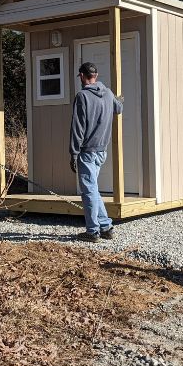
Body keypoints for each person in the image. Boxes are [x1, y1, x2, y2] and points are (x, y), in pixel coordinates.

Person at [69, 62, 123, 242]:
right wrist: (119, 99)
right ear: (96, 76)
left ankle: (92, 232)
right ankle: (106, 227)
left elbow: (78, 128)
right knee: (93, 189)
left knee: (89, 191)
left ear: (82, 76)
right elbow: (119, 108)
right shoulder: (108, 93)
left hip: (87, 152)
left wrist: (74, 153)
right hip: (102, 151)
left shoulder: (82, 96)